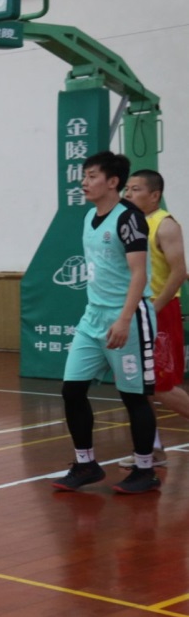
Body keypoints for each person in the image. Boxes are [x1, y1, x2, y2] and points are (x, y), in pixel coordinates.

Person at [52, 152, 159, 495]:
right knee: (72, 390)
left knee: (134, 397)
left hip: (128, 316)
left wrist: (124, 319)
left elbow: (139, 273)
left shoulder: (129, 219)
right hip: (92, 317)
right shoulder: (89, 216)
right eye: (84, 175)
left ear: (113, 182)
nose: (84, 182)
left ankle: (145, 470)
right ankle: (86, 464)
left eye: (92, 176)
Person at [119, 169, 188, 468]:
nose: (128, 194)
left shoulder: (165, 224)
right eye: (127, 189)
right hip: (132, 310)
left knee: (161, 384)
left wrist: (154, 309)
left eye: (135, 189)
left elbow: (179, 272)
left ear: (154, 195)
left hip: (159, 310)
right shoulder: (127, 223)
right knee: (137, 385)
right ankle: (152, 450)